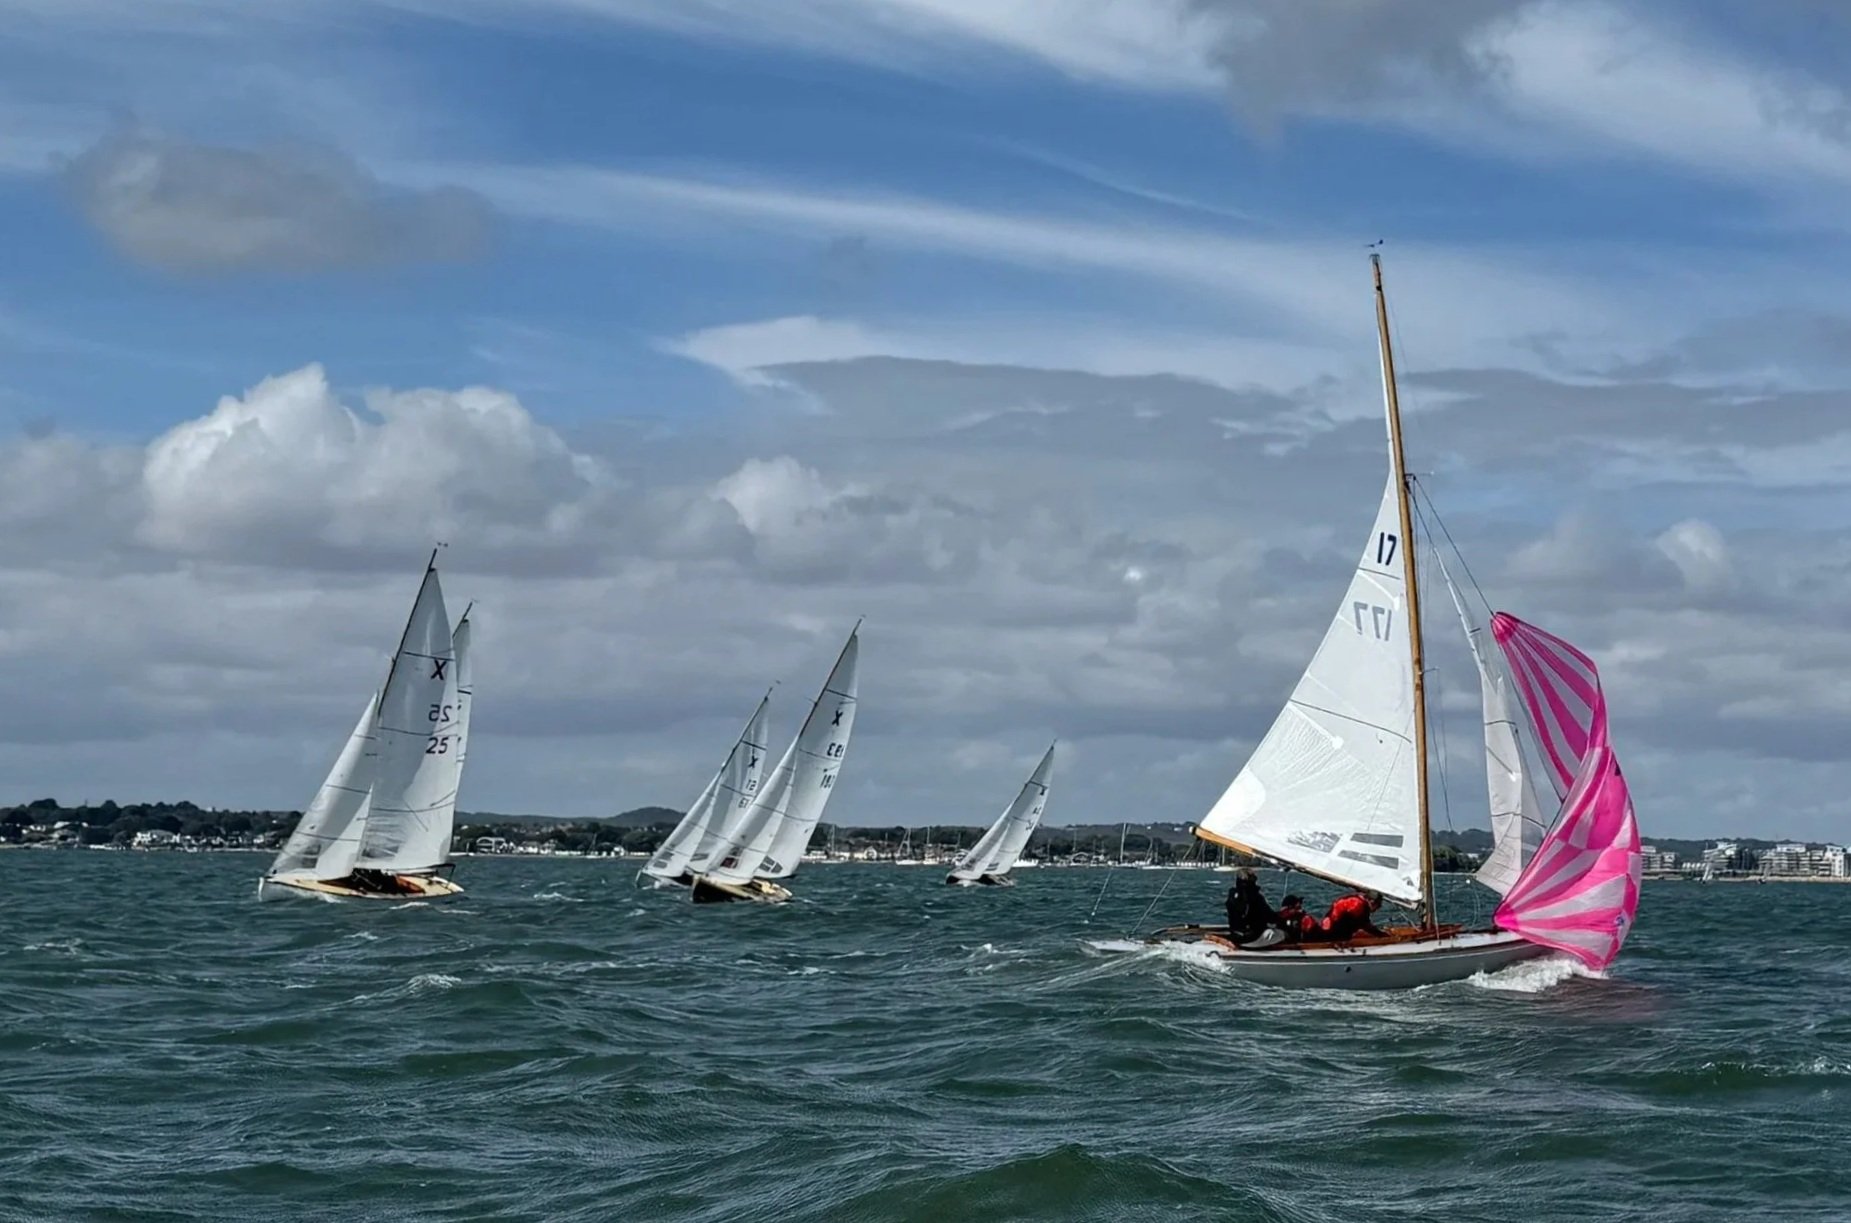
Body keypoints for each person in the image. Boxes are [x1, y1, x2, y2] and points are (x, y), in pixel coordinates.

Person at [1224, 867, 1276, 943]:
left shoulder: (1233, 895)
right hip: (1252, 938)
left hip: (1236, 935)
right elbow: (1270, 917)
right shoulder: (1256, 898)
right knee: (1280, 933)